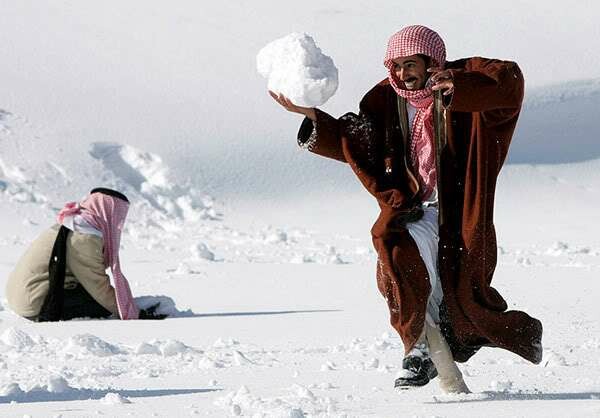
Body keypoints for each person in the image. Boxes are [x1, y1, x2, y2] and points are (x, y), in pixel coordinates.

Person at [270, 25, 542, 393]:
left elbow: (509, 84)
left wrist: (459, 87)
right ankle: (419, 353)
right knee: (399, 261)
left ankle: (503, 341)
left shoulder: (461, 88)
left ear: (432, 62)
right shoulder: (384, 100)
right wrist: (313, 116)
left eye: (410, 64)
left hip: (460, 215)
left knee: (460, 303)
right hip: (412, 212)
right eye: (395, 66)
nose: (402, 74)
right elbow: (357, 142)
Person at [6, 187, 165, 321]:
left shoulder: (74, 223)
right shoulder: (84, 236)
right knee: (101, 306)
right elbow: (97, 287)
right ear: (107, 211)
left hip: (24, 295)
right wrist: (133, 313)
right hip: (33, 300)